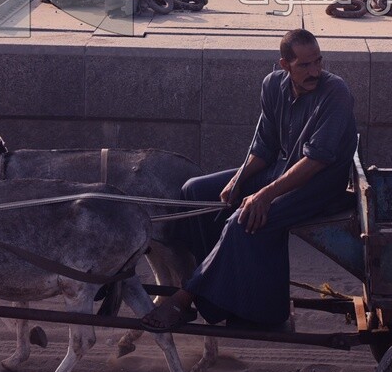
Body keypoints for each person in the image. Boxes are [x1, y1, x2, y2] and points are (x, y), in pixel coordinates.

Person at [143, 28, 358, 330]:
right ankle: (220, 298)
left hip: (320, 184)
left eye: (318, 62)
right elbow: (264, 148)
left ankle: (186, 296)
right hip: (281, 170)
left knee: (243, 219)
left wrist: (264, 195)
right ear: (285, 65)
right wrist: (240, 179)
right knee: (195, 190)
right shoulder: (272, 85)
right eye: (305, 65)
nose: (315, 71)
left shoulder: (335, 91)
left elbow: (317, 160)